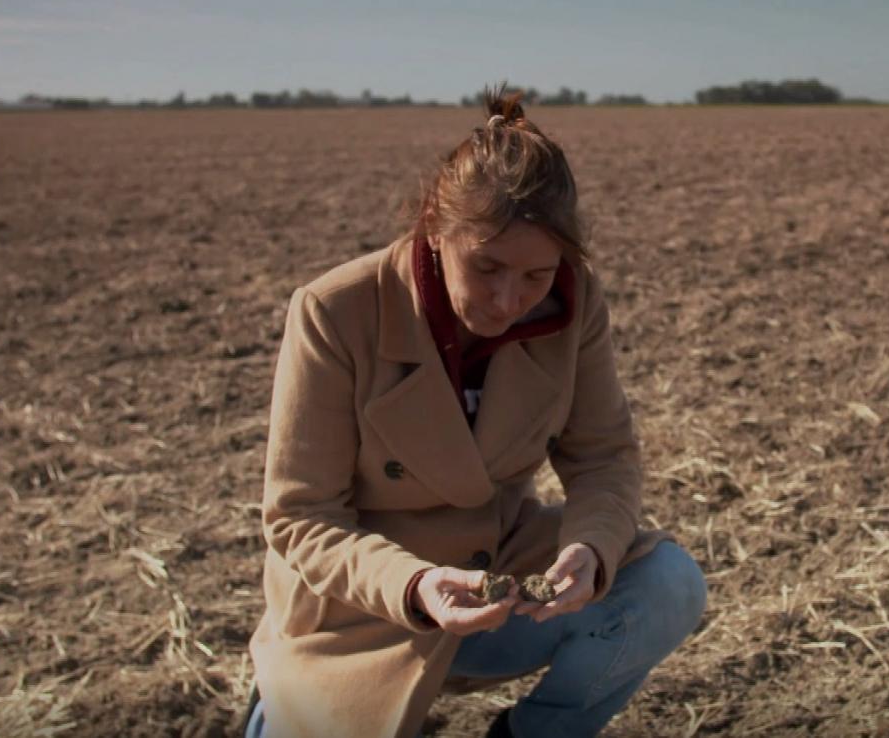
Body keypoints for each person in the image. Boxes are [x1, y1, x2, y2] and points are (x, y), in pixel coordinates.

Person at [245, 86, 707, 738]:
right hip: (360, 611)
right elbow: (300, 517)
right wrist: (415, 585)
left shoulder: (573, 305)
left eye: (535, 277)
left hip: (500, 577)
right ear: (435, 224)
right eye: (486, 266)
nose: (507, 300)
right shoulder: (336, 311)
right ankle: (283, 707)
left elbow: (602, 455)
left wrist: (589, 548)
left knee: (666, 584)